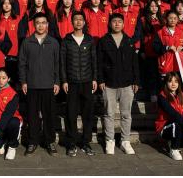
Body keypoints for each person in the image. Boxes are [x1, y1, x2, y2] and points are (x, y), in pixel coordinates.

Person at [97, 13, 140, 155]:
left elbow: (135, 62)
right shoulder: (103, 41)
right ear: (110, 24)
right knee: (109, 114)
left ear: (123, 24)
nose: (117, 24)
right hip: (108, 83)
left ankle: (125, 141)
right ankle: (109, 141)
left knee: (126, 114)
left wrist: (136, 81)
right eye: (114, 21)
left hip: (127, 83)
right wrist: (100, 79)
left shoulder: (129, 41)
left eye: (119, 21)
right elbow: (99, 62)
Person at [19, 13, 60, 156]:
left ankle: (50, 141)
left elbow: (57, 64)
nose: (41, 25)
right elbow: (22, 64)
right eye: (38, 23)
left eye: (43, 22)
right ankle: (33, 141)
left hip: (49, 85)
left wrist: (57, 81)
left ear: (47, 25)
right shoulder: (27, 42)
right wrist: (23, 81)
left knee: (49, 116)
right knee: (32, 116)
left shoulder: (53, 42)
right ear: (34, 25)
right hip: (32, 85)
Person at [60, 11, 97, 157]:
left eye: (81, 19)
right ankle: (71, 143)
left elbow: (94, 60)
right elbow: (62, 62)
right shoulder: (66, 40)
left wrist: (94, 78)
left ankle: (86, 142)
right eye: (76, 19)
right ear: (72, 22)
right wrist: (64, 80)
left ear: (84, 22)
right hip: (72, 82)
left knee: (88, 114)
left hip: (87, 81)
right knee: (71, 114)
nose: (78, 22)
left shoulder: (89, 40)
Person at [155, 72, 183, 161]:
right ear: (166, 83)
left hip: (180, 125)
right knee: (176, 125)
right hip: (165, 127)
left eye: (176, 81)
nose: (173, 84)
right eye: (170, 81)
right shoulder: (162, 96)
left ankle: (173, 141)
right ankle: (174, 149)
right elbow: (173, 114)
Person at [0, 69, 22, 160]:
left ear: (8, 79)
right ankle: (4, 141)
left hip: (9, 121)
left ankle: (12, 146)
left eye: (4, 78)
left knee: (14, 122)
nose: (1, 81)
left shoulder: (13, 94)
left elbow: (7, 116)